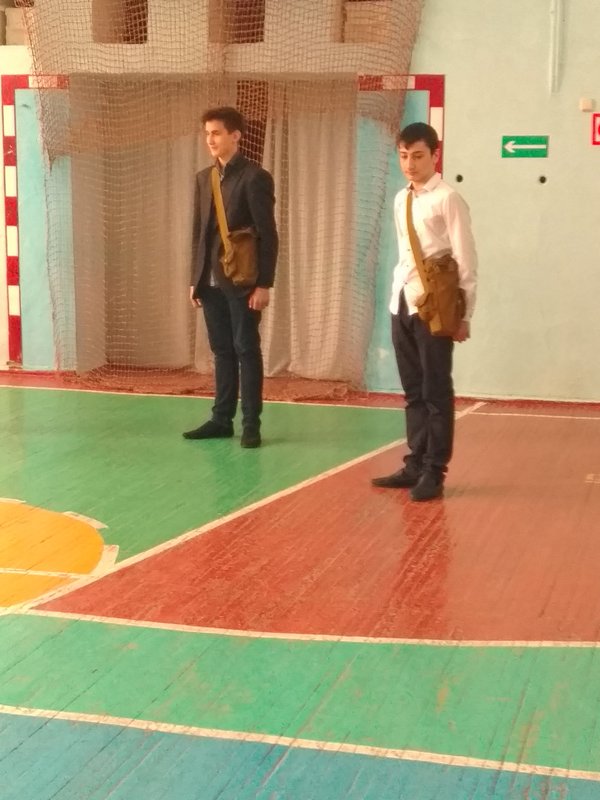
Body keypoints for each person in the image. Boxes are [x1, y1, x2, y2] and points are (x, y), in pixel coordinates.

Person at [372, 122, 477, 501]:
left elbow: (466, 260)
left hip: (435, 306)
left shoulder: (448, 199)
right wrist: (396, 300)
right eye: (403, 156)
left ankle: (434, 470)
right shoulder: (402, 198)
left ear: (435, 155)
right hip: (401, 301)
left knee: (436, 390)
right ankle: (415, 462)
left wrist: (464, 315)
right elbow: (405, 255)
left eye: (417, 156)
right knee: (413, 390)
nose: (410, 164)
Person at [183, 106, 278, 448]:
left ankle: (251, 424)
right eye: (207, 133)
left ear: (235, 136)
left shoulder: (255, 178)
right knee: (221, 350)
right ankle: (221, 419)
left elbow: (268, 234)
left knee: (246, 348)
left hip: (243, 281)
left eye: (217, 133)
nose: (210, 139)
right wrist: (195, 278)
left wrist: (264, 283)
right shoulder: (202, 178)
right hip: (210, 283)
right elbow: (199, 233)